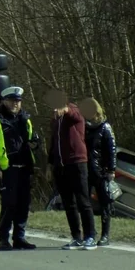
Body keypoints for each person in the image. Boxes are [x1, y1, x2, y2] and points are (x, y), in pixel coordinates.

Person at [0, 86, 38, 251]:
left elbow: (33, 141)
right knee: (9, 205)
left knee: (23, 204)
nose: (15, 104)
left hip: (25, 168)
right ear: (4, 102)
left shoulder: (25, 120)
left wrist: (36, 143)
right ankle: (3, 239)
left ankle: (19, 238)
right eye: (12, 101)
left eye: (18, 101)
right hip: (8, 170)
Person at [48, 95, 97, 250]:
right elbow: (54, 142)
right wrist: (50, 164)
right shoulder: (56, 120)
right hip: (60, 166)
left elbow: (73, 114)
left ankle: (90, 236)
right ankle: (76, 237)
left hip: (77, 163)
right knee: (68, 204)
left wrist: (66, 109)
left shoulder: (76, 112)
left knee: (83, 201)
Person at [81, 97, 117, 247]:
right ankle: (89, 233)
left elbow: (112, 150)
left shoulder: (105, 127)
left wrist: (111, 170)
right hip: (85, 169)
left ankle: (105, 235)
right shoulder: (83, 126)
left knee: (105, 204)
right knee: (84, 203)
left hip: (101, 171)